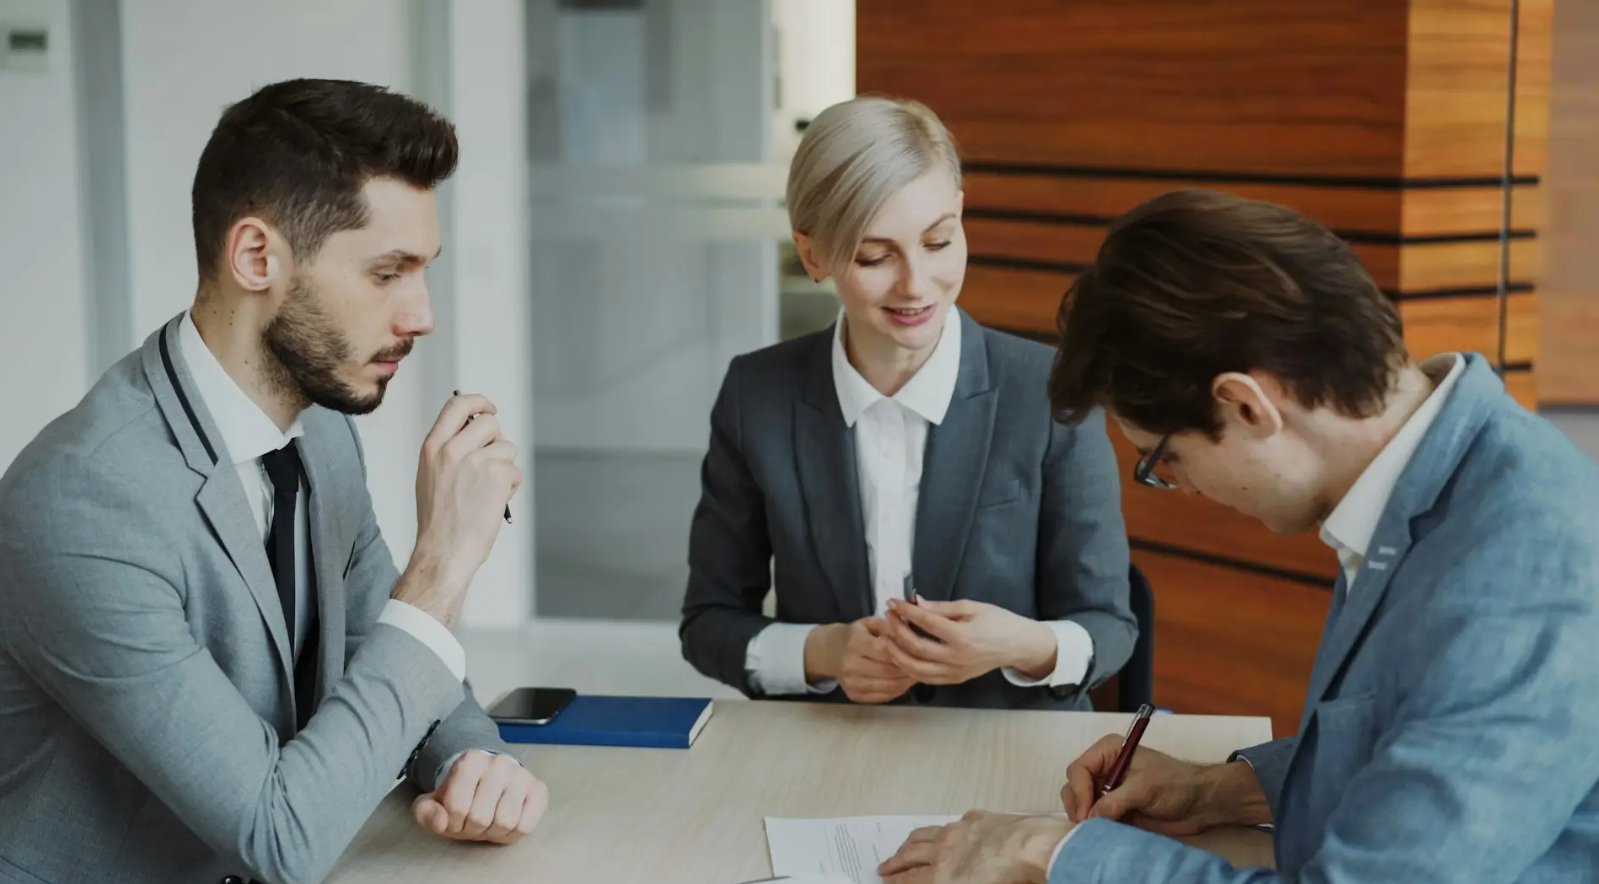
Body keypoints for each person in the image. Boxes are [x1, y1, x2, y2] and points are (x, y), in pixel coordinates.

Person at [876, 189, 1599, 883]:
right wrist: (1224, 790)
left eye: (1167, 460)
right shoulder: (1440, 478)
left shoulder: (1527, 571)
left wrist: (1050, 852)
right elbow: (1418, 731)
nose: (1181, 488)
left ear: (1245, 407)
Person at [0, 79, 547, 884]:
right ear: (257, 257)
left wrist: (468, 757)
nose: (422, 314)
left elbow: (377, 642)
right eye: (387, 273)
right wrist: (440, 567)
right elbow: (278, 834)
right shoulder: (82, 505)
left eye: (422, 271)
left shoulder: (320, 431)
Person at [678, 95, 1135, 711]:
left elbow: (1111, 626)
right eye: (874, 255)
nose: (916, 284)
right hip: (831, 753)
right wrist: (825, 651)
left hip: (1007, 752)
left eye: (939, 241)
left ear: (961, 218)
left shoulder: (1050, 393)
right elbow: (708, 624)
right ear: (813, 254)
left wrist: (1019, 645)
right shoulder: (756, 395)